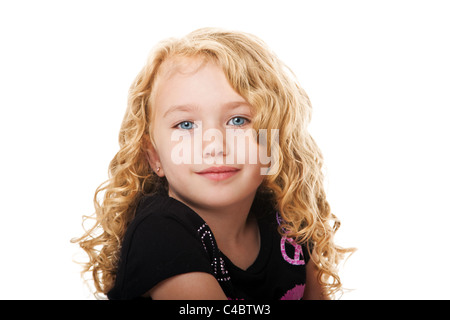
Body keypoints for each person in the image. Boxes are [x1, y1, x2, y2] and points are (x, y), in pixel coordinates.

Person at [72, 28, 351, 300]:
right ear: (154, 156)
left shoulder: (288, 218)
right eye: (185, 125)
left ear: (274, 141)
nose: (215, 146)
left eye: (238, 120)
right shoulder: (159, 233)